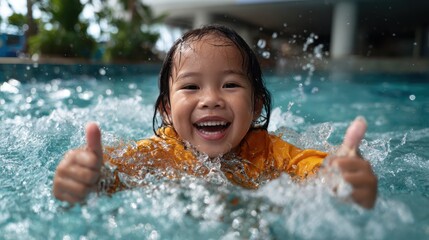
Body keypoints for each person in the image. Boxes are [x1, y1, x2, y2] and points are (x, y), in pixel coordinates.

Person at [53, 24, 377, 208]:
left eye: (230, 84)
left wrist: (339, 178)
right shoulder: (159, 153)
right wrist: (88, 177)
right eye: (191, 86)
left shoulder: (271, 152)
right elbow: (114, 172)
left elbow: (314, 170)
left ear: (258, 106)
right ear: (166, 109)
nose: (210, 100)